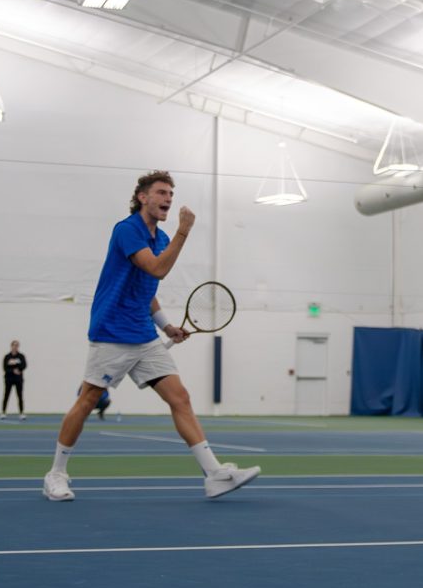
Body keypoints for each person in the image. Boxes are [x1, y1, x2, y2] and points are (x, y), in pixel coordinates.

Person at [42, 170, 260, 502]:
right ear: (143, 197)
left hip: (144, 336)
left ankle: (215, 475)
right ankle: (55, 475)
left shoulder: (160, 239)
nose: (168, 199)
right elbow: (157, 268)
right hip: (112, 331)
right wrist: (184, 233)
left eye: (171, 194)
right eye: (161, 193)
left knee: (180, 398)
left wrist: (166, 326)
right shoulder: (127, 230)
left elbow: (147, 288)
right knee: (87, 401)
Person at [1, 340, 27, 421]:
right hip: (9, 378)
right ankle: (3, 412)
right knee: (6, 395)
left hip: (18, 379)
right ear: (11, 346)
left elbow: (24, 365)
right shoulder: (7, 356)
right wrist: (12, 370)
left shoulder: (21, 356)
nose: (15, 347)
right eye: (13, 345)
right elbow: (5, 368)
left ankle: (21, 413)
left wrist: (18, 369)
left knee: (20, 396)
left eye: (16, 345)